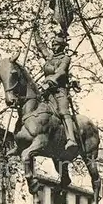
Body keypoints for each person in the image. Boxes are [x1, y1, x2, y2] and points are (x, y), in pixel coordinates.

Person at [34, 25, 78, 156]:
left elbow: (61, 71)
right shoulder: (49, 58)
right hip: (47, 92)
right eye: (52, 44)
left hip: (59, 91)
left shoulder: (65, 58)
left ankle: (71, 139)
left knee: (64, 111)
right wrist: (35, 30)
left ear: (62, 46)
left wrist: (51, 80)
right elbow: (41, 47)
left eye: (56, 44)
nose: (53, 47)